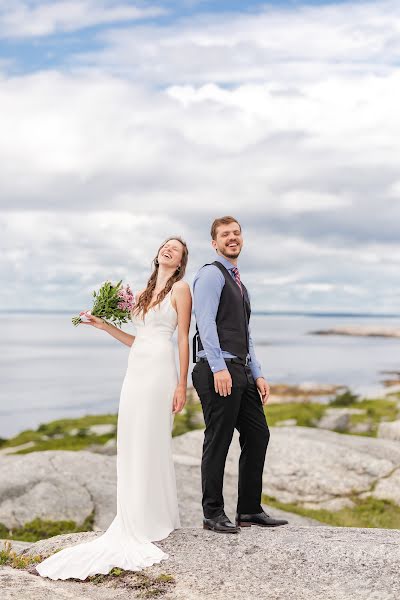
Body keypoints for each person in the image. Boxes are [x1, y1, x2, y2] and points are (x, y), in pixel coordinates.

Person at [35, 236, 192, 579]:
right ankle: (135, 514)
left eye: (176, 249)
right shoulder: (144, 293)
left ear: (180, 262)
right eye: (165, 246)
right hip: (136, 368)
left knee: (152, 438)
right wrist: (104, 326)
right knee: (132, 438)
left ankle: (155, 518)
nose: (169, 250)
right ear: (158, 254)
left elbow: (181, 338)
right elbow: (138, 340)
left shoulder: (181, 289)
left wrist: (182, 383)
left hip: (160, 371)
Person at [192, 216, 288, 533]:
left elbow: (245, 333)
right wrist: (219, 367)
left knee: (258, 434)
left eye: (236, 233)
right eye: (225, 234)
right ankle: (212, 514)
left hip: (241, 369)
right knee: (218, 441)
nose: (232, 238)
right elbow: (205, 323)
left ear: (242, 238)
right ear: (214, 242)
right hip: (218, 369)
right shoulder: (210, 274)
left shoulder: (239, 283)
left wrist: (257, 373)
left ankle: (248, 510)